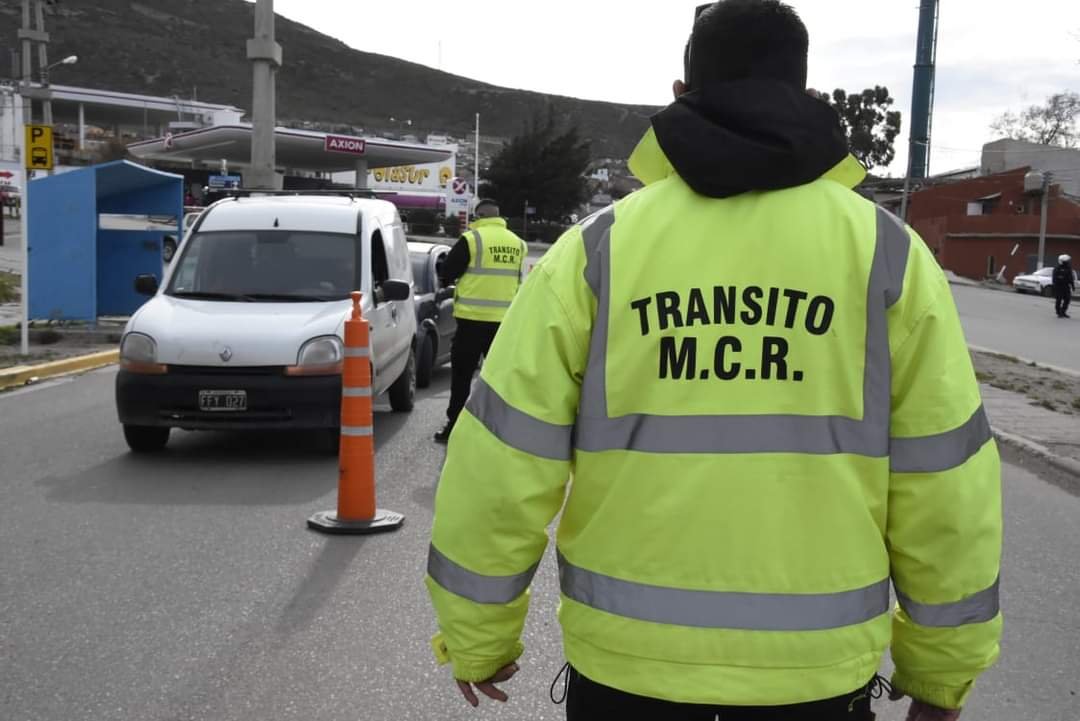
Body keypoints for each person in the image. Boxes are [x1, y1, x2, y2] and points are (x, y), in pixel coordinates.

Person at [425, 1, 1002, 720]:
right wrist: (941, 669)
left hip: (629, 675)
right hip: (813, 678)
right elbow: (944, 482)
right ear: (808, 95)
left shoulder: (597, 252)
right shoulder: (888, 258)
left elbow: (501, 462)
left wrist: (479, 632)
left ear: (679, 94)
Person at [433, 199, 527, 444]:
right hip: (504, 323)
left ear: (481, 216)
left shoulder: (472, 240)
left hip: (471, 321)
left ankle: (454, 426)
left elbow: (448, 272)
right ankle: (501, 430)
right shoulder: (518, 243)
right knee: (500, 379)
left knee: (462, 377)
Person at [1052, 254, 1075, 318]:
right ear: (1063, 261)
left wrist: (1072, 286)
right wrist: (1055, 286)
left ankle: (1063, 312)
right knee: (1059, 300)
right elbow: (1054, 279)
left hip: (1066, 287)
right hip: (1059, 287)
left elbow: (1071, 278)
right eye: (1067, 261)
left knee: (1067, 299)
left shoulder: (1069, 268)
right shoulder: (1057, 268)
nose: (1068, 262)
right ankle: (1058, 312)